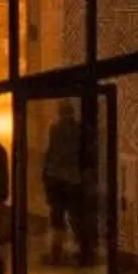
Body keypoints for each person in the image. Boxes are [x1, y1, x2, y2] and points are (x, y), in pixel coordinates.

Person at [40, 110, 93, 264]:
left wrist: (45, 176)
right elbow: (85, 155)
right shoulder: (80, 130)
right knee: (76, 217)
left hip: (55, 178)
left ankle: (56, 252)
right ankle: (84, 253)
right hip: (73, 179)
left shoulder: (54, 129)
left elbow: (49, 154)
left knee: (57, 217)